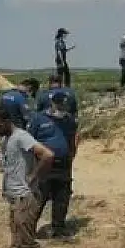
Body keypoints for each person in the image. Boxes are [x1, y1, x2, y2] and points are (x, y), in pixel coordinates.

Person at [0, 106, 63, 248]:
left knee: (26, 241)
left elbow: (47, 155)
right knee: (16, 244)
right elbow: (12, 164)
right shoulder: (6, 140)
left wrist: (34, 176)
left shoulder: (22, 136)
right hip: (13, 197)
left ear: (6, 122)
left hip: (25, 197)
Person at [27, 94, 78, 238]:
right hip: (44, 163)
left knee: (62, 196)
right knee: (39, 197)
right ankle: (29, 229)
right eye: (60, 105)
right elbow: (29, 140)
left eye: (65, 106)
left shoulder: (69, 120)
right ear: (53, 104)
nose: (63, 108)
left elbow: (73, 137)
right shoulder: (38, 119)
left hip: (63, 164)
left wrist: (71, 154)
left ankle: (59, 228)